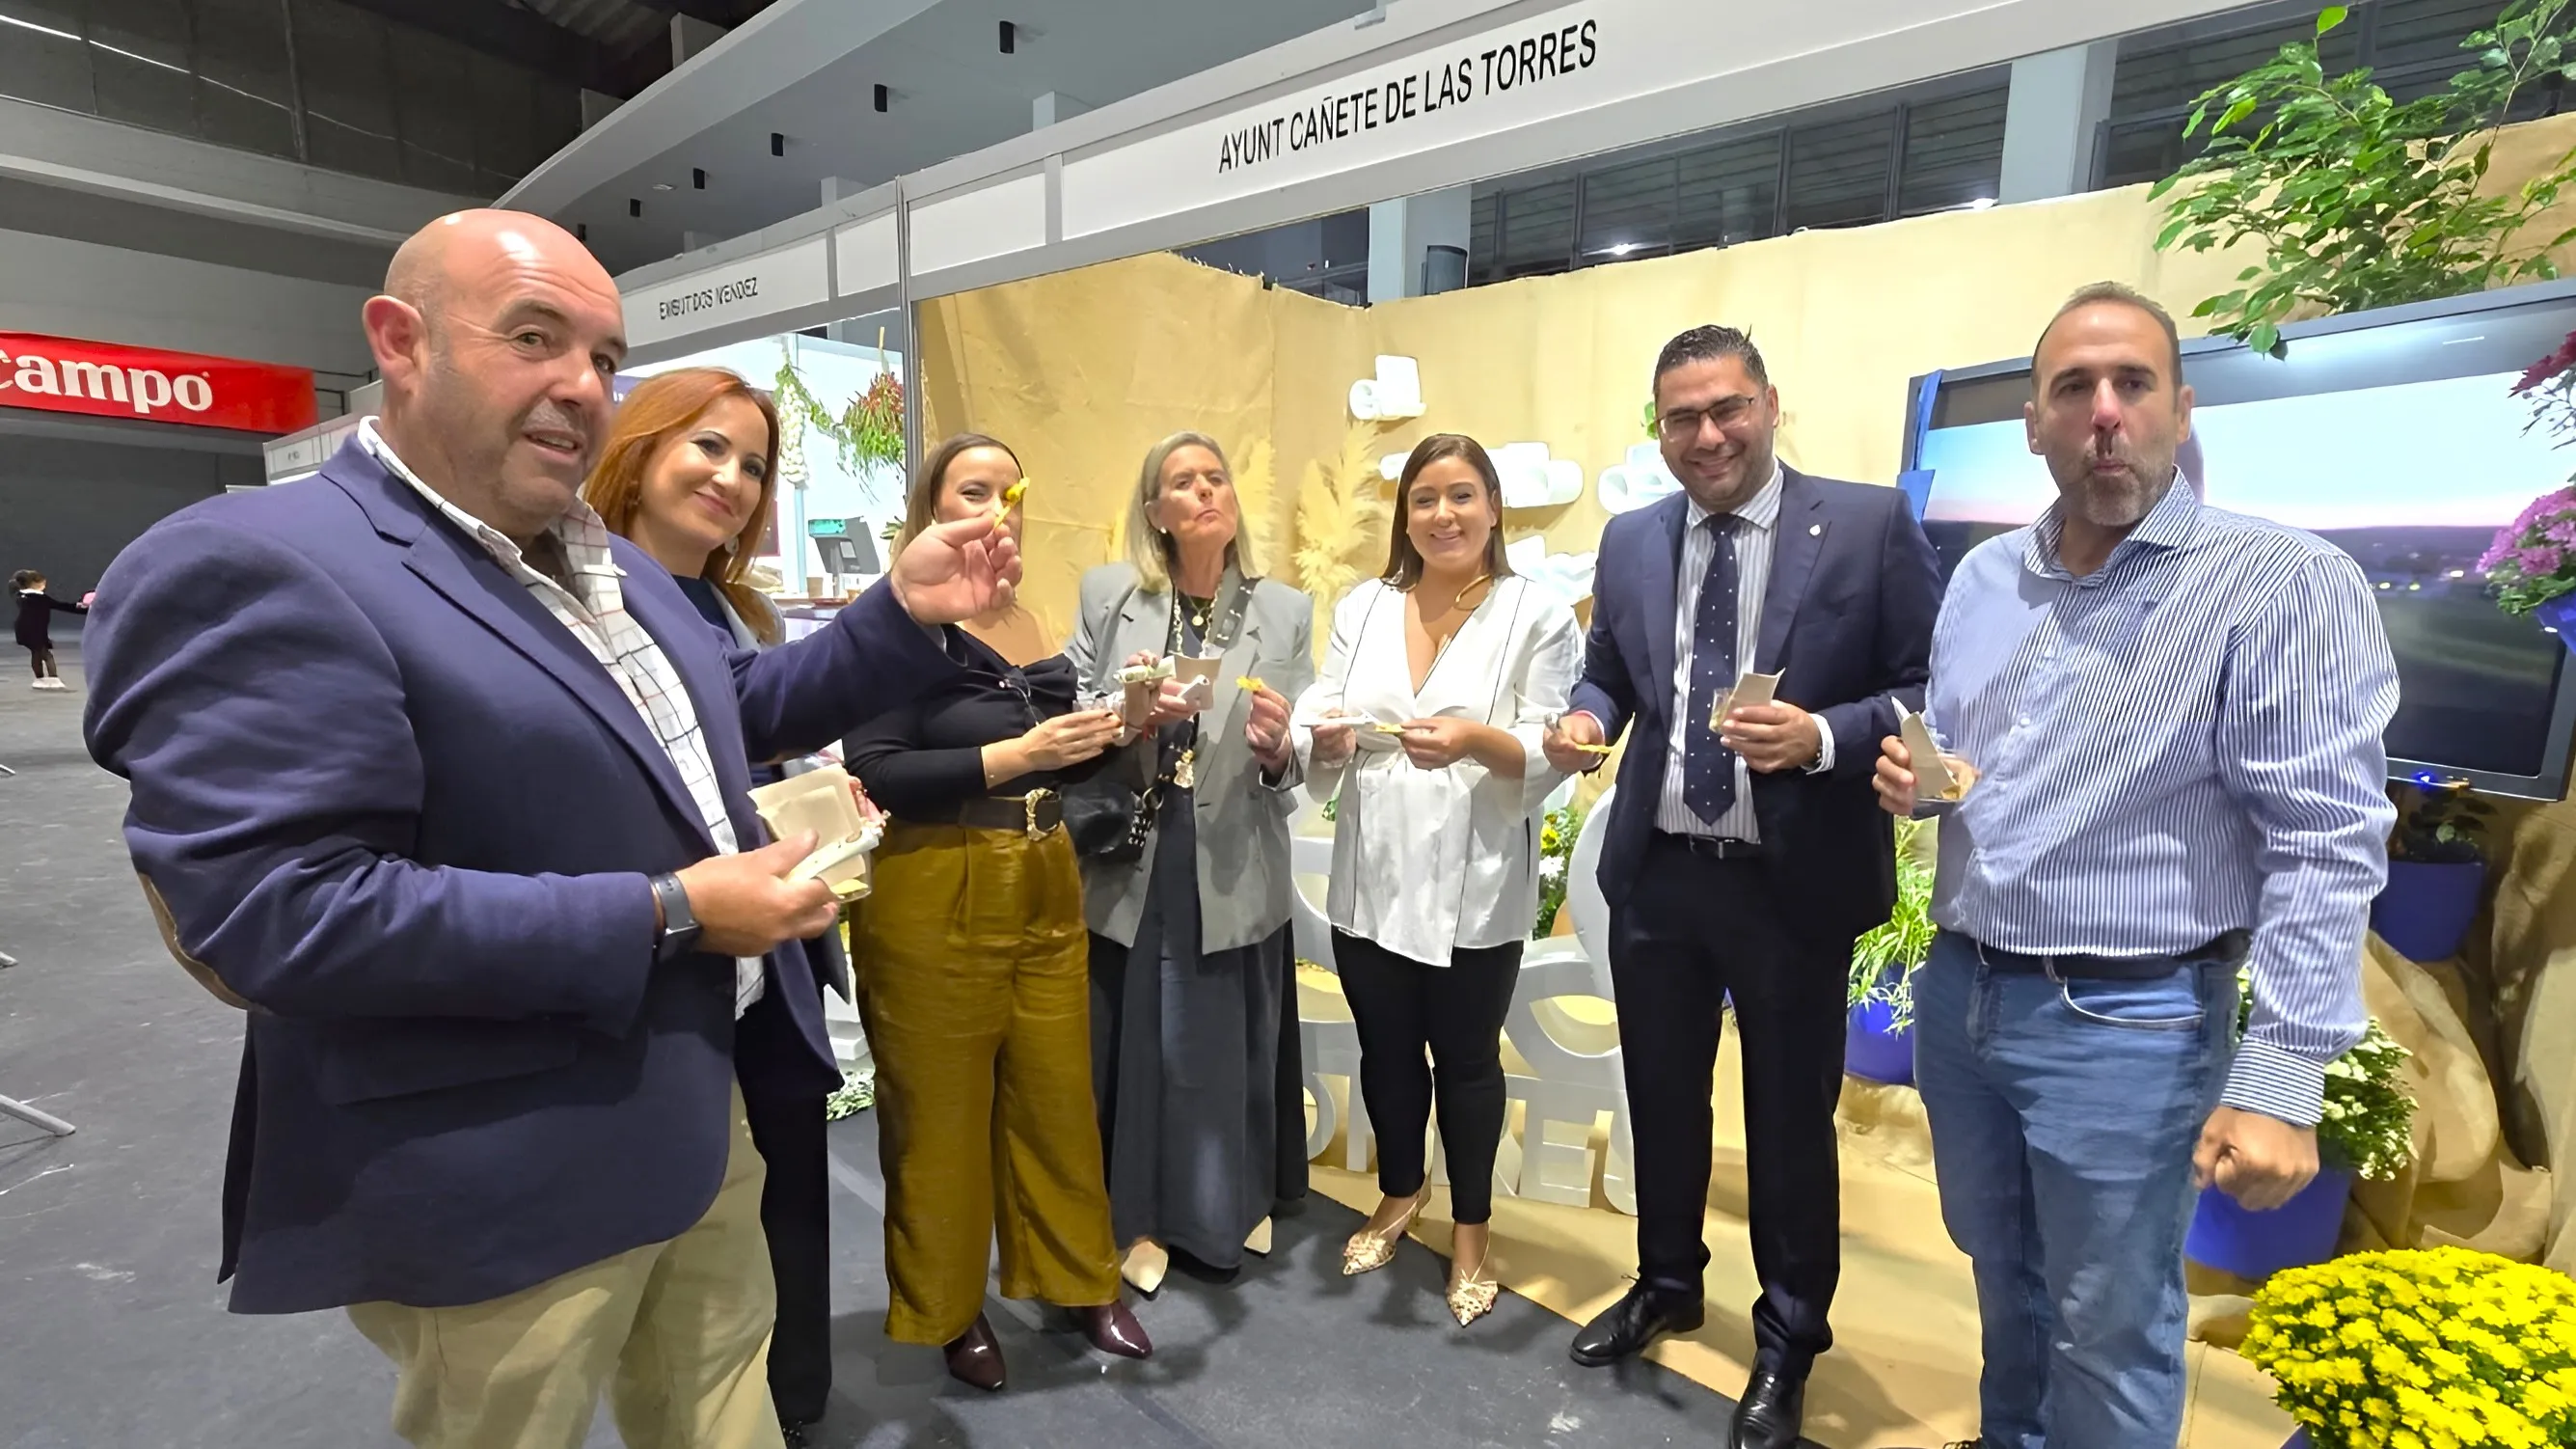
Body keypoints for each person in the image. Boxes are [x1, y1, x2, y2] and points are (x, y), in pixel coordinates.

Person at [79, 209, 1017, 1449]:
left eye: (601, 354)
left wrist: (899, 610)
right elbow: (282, 910)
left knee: (724, 1405)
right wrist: (674, 912)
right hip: (499, 1165)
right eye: (533, 336)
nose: (580, 384)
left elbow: (726, 714)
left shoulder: (599, 565)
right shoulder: (264, 560)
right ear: (400, 342)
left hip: (696, 1114)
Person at [1873, 282, 2398, 1449]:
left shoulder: (2278, 582)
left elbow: (2326, 837)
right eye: (2073, 388)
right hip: (1965, 993)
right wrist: (1928, 786)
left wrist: (2283, 1070)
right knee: (1999, 1274)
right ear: (2034, 423)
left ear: (2180, 406)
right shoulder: (1984, 580)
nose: (2103, 411)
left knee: (2107, 1319)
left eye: (2132, 383)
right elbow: (1977, 765)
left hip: (2130, 1017)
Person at [1541, 325, 1942, 1449]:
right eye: (1681, 417)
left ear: (1770, 404)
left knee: (1786, 1126)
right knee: (1661, 1100)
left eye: (1726, 409)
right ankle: (1667, 1281)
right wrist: (1588, 716)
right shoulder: (1627, 540)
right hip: (1659, 875)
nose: (1706, 434)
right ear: (1657, 428)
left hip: (1793, 886)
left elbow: (1926, 683)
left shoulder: (1867, 524)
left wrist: (1820, 733)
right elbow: (1612, 669)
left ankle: (1786, 1338)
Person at [841, 432, 1152, 1389]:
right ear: (932, 503)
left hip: (1044, 872)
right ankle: (950, 1308)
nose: (996, 509)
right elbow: (878, 768)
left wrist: (1126, 725)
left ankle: (1079, 1277)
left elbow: (1057, 757)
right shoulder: (893, 616)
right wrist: (1019, 756)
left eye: (1009, 492)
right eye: (972, 489)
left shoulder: (1023, 613)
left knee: (1057, 1099)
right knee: (937, 1118)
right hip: (935, 880)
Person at [577, 366, 846, 1445]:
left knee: (776, 1199)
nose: (731, 478)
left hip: (768, 961)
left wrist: (822, 794)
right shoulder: (587, 598)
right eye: (706, 447)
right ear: (636, 448)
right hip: (661, 966)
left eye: (752, 464)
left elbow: (755, 752)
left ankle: (796, 1395)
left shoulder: (739, 610)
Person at [1298, 433, 1579, 1326]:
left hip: (1475, 874)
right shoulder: (1367, 604)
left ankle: (1470, 1230)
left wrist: (1474, 741)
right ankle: (1398, 1192)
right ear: (1404, 516)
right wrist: (1323, 736)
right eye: (1424, 499)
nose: (1442, 515)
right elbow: (1322, 701)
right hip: (1372, 869)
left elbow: (1552, 743)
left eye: (1461, 496)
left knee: (1463, 1065)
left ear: (1494, 507)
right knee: (1386, 1052)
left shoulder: (1535, 613)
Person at [1064, 430, 1314, 1295]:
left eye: (1216, 477)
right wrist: (1126, 706)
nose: (1206, 491)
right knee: (1143, 1044)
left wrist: (1284, 748)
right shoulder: (1111, 595)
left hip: (1236, 851)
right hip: (1138, 847)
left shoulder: (1284, 609)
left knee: (1223, 1043)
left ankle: (1229, 1204)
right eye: (1182, 482)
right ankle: (1136, 1217)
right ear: (1155, 513)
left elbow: (1305, 752)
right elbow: (1073, 707)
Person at [13, 568, 86, 691]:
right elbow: (62, 606)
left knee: (36, 653)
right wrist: (84, 609)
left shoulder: (22, 596)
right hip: (35, 631)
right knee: (47, 655)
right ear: (37, 584)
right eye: (43, 584)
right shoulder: (41, 598)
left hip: (24, 630)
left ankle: (39, 679)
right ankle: (54, 679)